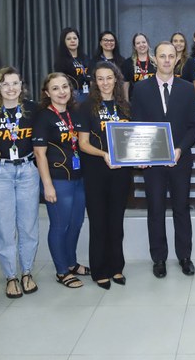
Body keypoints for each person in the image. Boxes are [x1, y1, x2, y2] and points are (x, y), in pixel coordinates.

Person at [131, 41, 195, 278]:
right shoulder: (141, 89)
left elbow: (193, 127)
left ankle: (184, 257)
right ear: (154, 59)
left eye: (171, 56)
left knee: (181, 208)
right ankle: (159, 258)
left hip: (180, 160)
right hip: (153, 163)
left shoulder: (187, 88)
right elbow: (136, 125)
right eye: (162, 56)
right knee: (156, 209)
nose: (167, 60)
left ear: (177, 59)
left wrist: (179, 149)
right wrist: (141, 155)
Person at [0, 66, 40, 298]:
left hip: (27, 170)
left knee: (28, 225)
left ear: (21, 85)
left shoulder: (33, 109)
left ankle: (26, 272)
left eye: (15, 83)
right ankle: (10, 276)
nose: (11, 88)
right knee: (4, 227)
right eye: (5, 84)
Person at [77, 62, 133, 289]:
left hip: (122, 173)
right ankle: (100, 270)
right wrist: (104, 155)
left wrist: (140, 157)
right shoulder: (86, 107)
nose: (105, 82)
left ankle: (116, 267)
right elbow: (82, 143)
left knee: (116, 222)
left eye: (109, 78)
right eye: (100, 78)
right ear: (94, 82)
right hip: (96, 171)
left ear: (116, 79)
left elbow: (134, 138)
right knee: (99, 222)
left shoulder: (125, 107)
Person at [33, 72, 88, 289]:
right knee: (60, 225)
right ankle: (62, 271)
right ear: (47, 93)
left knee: (76, 223)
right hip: (57, 180)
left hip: (78, 178)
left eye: (65, 86)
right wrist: (47, 185)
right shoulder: (43, 117)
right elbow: (39, 154)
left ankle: (71, 263)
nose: (62, 92)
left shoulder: (75, 112)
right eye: (55, 88)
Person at [53, 27, 91, 100]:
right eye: (69, 39)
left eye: (75, 38)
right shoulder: (61, 61)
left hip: (88, 92)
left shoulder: (85, 58)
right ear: (64, 42)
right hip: (72, 95)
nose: (72, 41)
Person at [121, 32, 156, 101]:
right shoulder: (128, 63)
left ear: (147, 44)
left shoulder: (156, 61)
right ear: (134, 47)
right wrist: (126, 103)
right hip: (135, 101)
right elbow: (125, 85)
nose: (141, 45)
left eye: (143, 42)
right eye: (138, 43)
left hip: (153, 100)